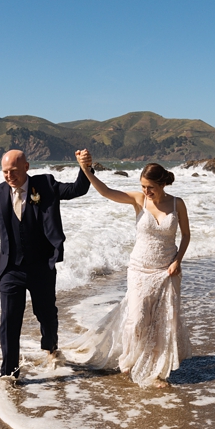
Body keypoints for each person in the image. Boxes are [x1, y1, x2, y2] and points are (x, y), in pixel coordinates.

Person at [64, 160, 192, 388]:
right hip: (140, 268)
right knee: (138, 318)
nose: (146, 191)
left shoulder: (177, 204)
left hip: (167, 270)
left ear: (162, 184)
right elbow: (106, 192)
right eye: (143, 186)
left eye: (150, 187)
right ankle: (130, 360)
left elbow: (186, 235)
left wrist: (177, 261)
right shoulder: (139, 200)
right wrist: (85, 170)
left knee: (162, 321)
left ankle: (157, 371)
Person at [0, 148, 93, 382]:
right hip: (11, 268)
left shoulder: (45, 185)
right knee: (9, 320)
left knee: (46, 315)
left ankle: (51, 349)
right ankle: (10, 373)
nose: (9, 176)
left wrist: (84, 167)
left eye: (14, 171)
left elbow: (77, 189)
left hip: (41, 266)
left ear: (26, 167)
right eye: (5, 171)